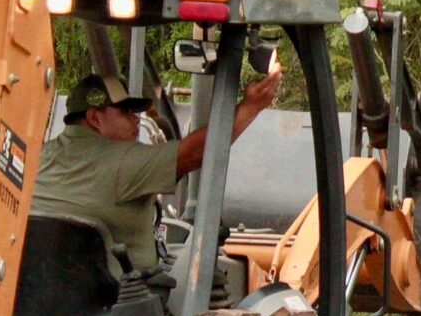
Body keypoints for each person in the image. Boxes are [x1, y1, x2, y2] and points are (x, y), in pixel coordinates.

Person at [34, 65, 283, 274]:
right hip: (119, 306)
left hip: (40, 298)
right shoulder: (125, 161)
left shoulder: (38, 157)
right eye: (125, 112)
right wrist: (251, 107)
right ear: (94, 119)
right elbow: (196, 152)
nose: (135, 118)